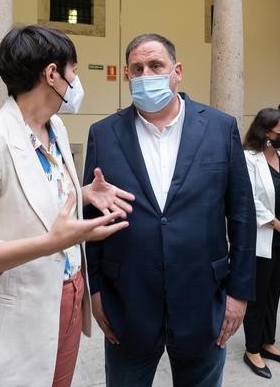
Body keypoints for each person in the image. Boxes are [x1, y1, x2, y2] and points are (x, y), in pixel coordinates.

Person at [0, 25, 133, 387]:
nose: (75, 81)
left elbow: (38, 198)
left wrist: (83, 193)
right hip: (14, 317)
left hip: (69, 297)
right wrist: (49, 245)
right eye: (73, 71)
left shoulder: (54, 126)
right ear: (52, 74)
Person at [83, 33, 256, 387]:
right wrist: (96, 292)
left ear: (176, 71)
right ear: (128, 76)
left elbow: (241, 214)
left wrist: (239, 295)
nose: (146, 75)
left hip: (203, 302)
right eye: (137, 68)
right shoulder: (103, 133)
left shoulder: (220, 128)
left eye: (156, 66)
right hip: (126, 303)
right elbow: (92, 219)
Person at [241, 108, 280, 379]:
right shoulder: (249, 159)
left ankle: (268, 342)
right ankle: (252, 348)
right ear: (266, 132)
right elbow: (248, 198)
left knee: (273, 292)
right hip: (263, 237)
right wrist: (274, 223)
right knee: (257, 294)